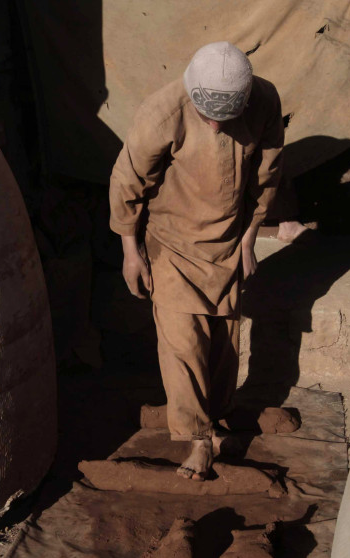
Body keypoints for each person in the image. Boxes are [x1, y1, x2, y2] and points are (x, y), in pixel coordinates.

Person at [109, 42, 283, 480]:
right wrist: (131, 253)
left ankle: (217, 414)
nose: (215, 124)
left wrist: (247, 241)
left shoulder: (264, 102)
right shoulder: (164, 111)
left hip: (226, 242)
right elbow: (127, 181)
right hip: (172, 244)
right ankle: (197, 438)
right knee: (183, 343)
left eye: (225, 118)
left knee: (224, 341)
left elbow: (266, 178)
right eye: (208, 116)